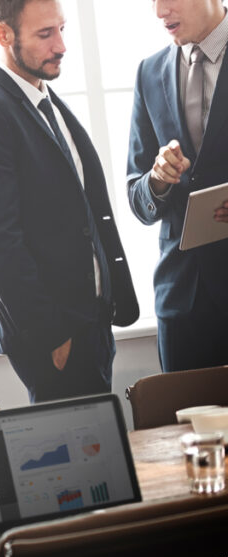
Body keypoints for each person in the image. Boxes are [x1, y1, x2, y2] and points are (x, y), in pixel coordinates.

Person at [0, 0, 139, 403]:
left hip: (92, 321)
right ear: (4, 36)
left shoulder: (46, 101)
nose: (61, 46)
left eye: (62, 29)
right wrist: (52, 336)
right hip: (56, 333)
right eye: (45, 34)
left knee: (99, 458)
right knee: (74, 461)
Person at [127, 0, 228, 372]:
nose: (159, 11)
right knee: (179, 430)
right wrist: (156, 180)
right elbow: (137, 195)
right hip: (180, 304)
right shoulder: (148, 73)